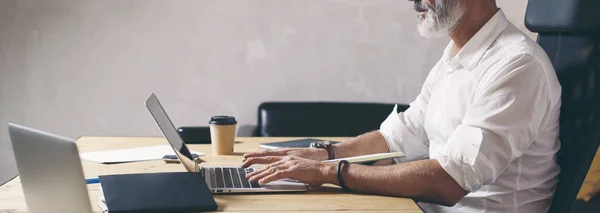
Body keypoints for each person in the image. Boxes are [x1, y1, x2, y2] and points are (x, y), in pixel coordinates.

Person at [242, 0, 561, 212]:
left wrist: (327, 172)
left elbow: (450, 180)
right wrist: (326, 154)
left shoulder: (517, 64)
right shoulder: (456, 56)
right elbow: (401, 135)